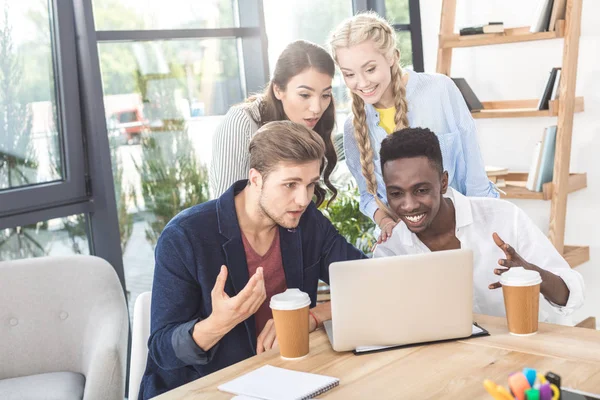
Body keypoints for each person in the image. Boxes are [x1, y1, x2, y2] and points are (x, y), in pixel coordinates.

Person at [139, 121, 366, 399]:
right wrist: (220, 322)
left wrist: (311, 317)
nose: (303, 199)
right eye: (290, 184)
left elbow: (366, 282)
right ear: (255, 179)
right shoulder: (185, 236)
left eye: (310, 184)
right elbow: (162, 350)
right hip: (204, 387)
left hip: (284, 377)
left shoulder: (307, 223)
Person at [373, 127, 584, 322]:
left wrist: (531, 273)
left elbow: (572, 296)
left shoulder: (503, 217)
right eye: (396, 193)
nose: (409, 206)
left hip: (531, 348)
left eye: (421, 190)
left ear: (443, 182)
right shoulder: (390, 251)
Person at [328, 12, 498, 241]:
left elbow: (475, 176)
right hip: (405, 243)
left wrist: (486, 231)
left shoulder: (440, 90)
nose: (362, 83)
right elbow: (369, 197)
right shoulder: (353, 128)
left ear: (392, 57)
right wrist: (386, 222)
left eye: (370, 69)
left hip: (463, 232)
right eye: (349, 74)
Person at [210, 40, 338, 204]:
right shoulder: (242, 121)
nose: (317, 108)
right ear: (278, 89)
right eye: (305, 95)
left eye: (325, 95)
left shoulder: (309, 125)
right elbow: (225, 207)